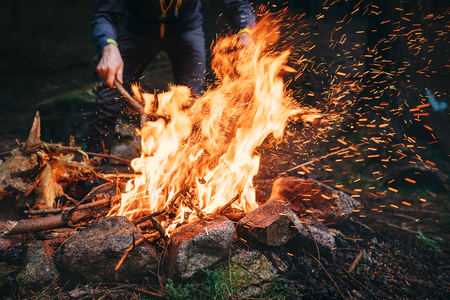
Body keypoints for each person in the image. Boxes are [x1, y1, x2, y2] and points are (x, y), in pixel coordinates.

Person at [86, 0, 255, 172]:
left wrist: (246, 31)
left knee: (192, 106)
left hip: (186, 29)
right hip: (138, 32)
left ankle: (187, 178)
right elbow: (105, 14)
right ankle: (91, 176)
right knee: (107, 102)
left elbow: (237, 4)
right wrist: (108, 45)